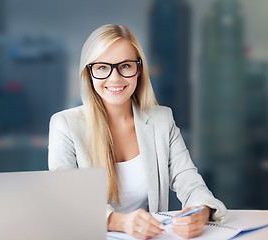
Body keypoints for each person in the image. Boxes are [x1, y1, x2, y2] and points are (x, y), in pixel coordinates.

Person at [48, 24, 227, 239]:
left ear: (139, 70)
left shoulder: (162, 119)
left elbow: (188, 179)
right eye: (102, 67)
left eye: (125, 66)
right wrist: (120, 222)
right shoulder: (64, 124)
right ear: (89, 72)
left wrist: (201, 211)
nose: (115, 78)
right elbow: (67, 197)